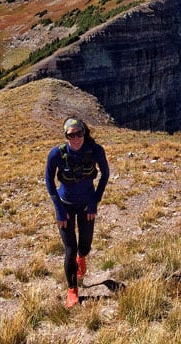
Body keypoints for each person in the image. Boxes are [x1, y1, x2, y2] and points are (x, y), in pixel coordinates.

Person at [45, 117, 110, 308]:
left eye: (79, 133)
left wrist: (94, 202)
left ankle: (82, 257)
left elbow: (105, 174)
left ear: (84, 132)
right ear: (65, 136)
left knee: (85, 245)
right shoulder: (56, 154)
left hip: (86, 205)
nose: (76, 138)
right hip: (65, 206)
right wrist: (58, 209)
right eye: (71, 135)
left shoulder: (95, 150)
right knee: (69, 249)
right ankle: (72, 289)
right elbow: (49, 181)